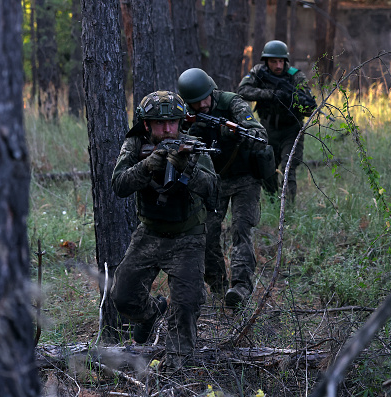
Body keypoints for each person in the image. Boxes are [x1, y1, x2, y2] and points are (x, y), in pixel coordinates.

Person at [110, 90, 219, 370]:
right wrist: (146, 167)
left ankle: (177, 369)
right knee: (123, 297)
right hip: (150, 234)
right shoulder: (134, 144)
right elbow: (119, 184)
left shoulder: (193, 146)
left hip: (188, 237)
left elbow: (214, 191)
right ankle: (153, 312)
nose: (168, 129)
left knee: (185, 306)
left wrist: (188, 170)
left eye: (173, 122)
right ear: (146, 125)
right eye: (160, 123)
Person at [177, 68, 268, 308]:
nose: (201, 106)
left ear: (211, 92)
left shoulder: (232, 103)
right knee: (207, 234)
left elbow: (259, 133)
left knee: (241, 229)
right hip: (213, 181)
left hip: (244, 179)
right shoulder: (187, 115)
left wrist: (236, 134)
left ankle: (240, 288)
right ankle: (217, 287)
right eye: (194, 104)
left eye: (203, 100)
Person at [238, 40, 317, 203]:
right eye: (274, 61)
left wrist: (296, 102)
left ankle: (287, 209)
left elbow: (308, 106)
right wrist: (271, 94)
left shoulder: (296, 76)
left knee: (289, 168)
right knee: (267, 166)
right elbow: (242, 90)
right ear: (266, 61)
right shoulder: (259, 71)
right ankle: (274, 202)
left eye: (281, 61)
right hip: (268, 128)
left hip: (291, 129)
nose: (278, 65)